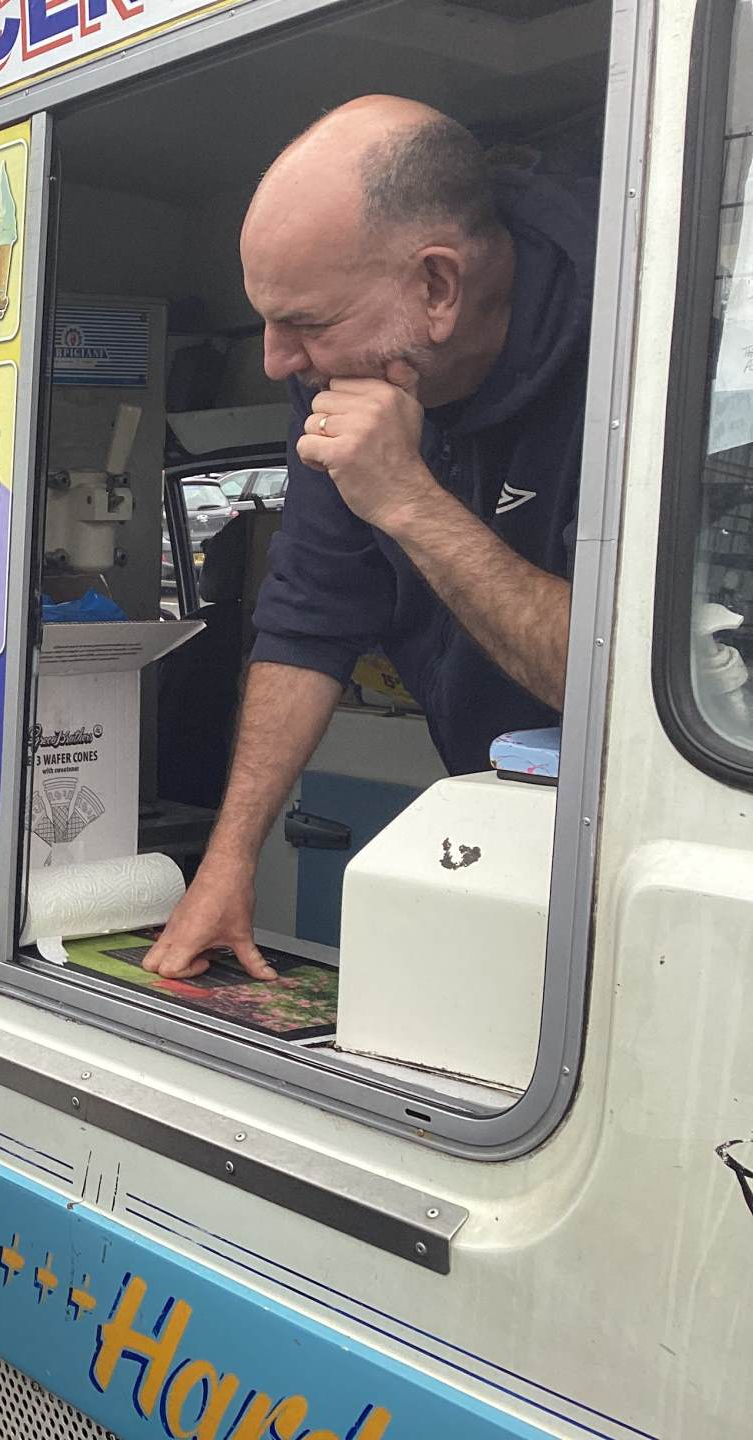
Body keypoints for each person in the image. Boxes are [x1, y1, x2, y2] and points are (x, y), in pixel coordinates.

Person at [148, 96, 594, 980]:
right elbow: (309, 613)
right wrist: (228, 862)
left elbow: (620, 690)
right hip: (492, 808)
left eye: (308, 325)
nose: (276, 361)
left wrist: (409, 500)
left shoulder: (642, 343)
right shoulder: (338, 371)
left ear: (437, 287)